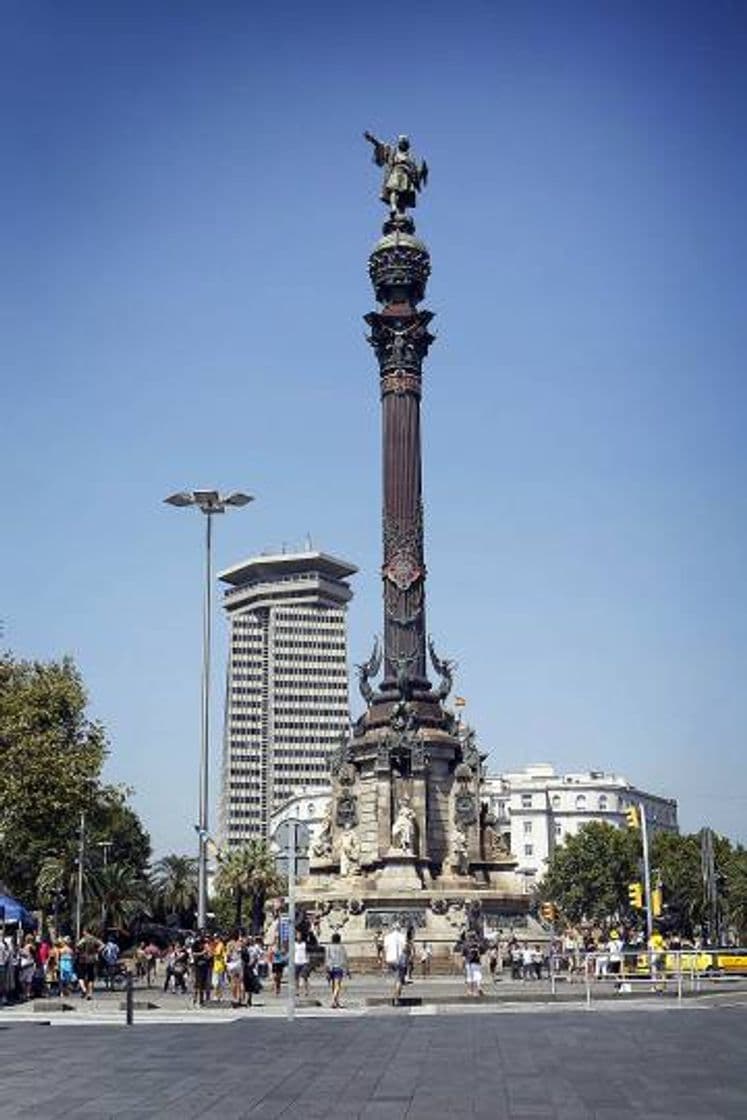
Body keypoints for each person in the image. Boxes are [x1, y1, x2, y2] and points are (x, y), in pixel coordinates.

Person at [383, 922, 407, 1004]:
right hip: (399, 960)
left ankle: (395, 995)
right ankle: (396, 998)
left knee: (395, 978)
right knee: (399, 980)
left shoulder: (387, 937)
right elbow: (404, 948)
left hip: (390, 960)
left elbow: (385, 949)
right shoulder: (402, 936)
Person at [76, 928, 103, 1000]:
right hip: (92, 959)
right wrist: (97, 951)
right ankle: (90, 994)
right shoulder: (94, 939)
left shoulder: (84, 939)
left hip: (83, 959)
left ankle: (84, 990)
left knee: (81, 976)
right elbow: (102, 945)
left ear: (86, 932)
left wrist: (80, 951)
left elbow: (77, 946)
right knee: (91, 977)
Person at [324, 932, 349, 1009]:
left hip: (331, 967)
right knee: (337, 985)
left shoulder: (329, 947)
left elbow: (327, 958)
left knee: (333, 986)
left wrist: (326, 968)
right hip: (339, 967)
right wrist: (347, 969)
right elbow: (345, 958)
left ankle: (336, 1002)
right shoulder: (342, 947)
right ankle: (333, 1000)